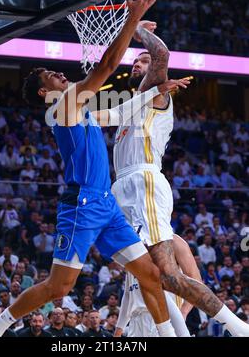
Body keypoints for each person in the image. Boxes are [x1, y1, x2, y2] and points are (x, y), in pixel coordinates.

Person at [0, 0, 178, 338]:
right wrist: (130, 20)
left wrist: (153, 93)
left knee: (151, 275)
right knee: (59, 288)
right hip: (82, 203)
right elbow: (108, 65)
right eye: (52, 76)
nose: (60, 75)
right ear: (44, 92)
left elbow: (118, 110)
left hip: (106, 204)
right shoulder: (63, 106)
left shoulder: (80, 108)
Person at [102, 20, 249, 337]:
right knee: (143, 272)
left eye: (141, 59)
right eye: (134, 61)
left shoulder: (154, 95)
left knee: (167, 275)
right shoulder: (131, 107)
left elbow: (162, 54)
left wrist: (136, 27)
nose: (136, 63)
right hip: (124, 188)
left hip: (144, 182)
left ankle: (238, 328)